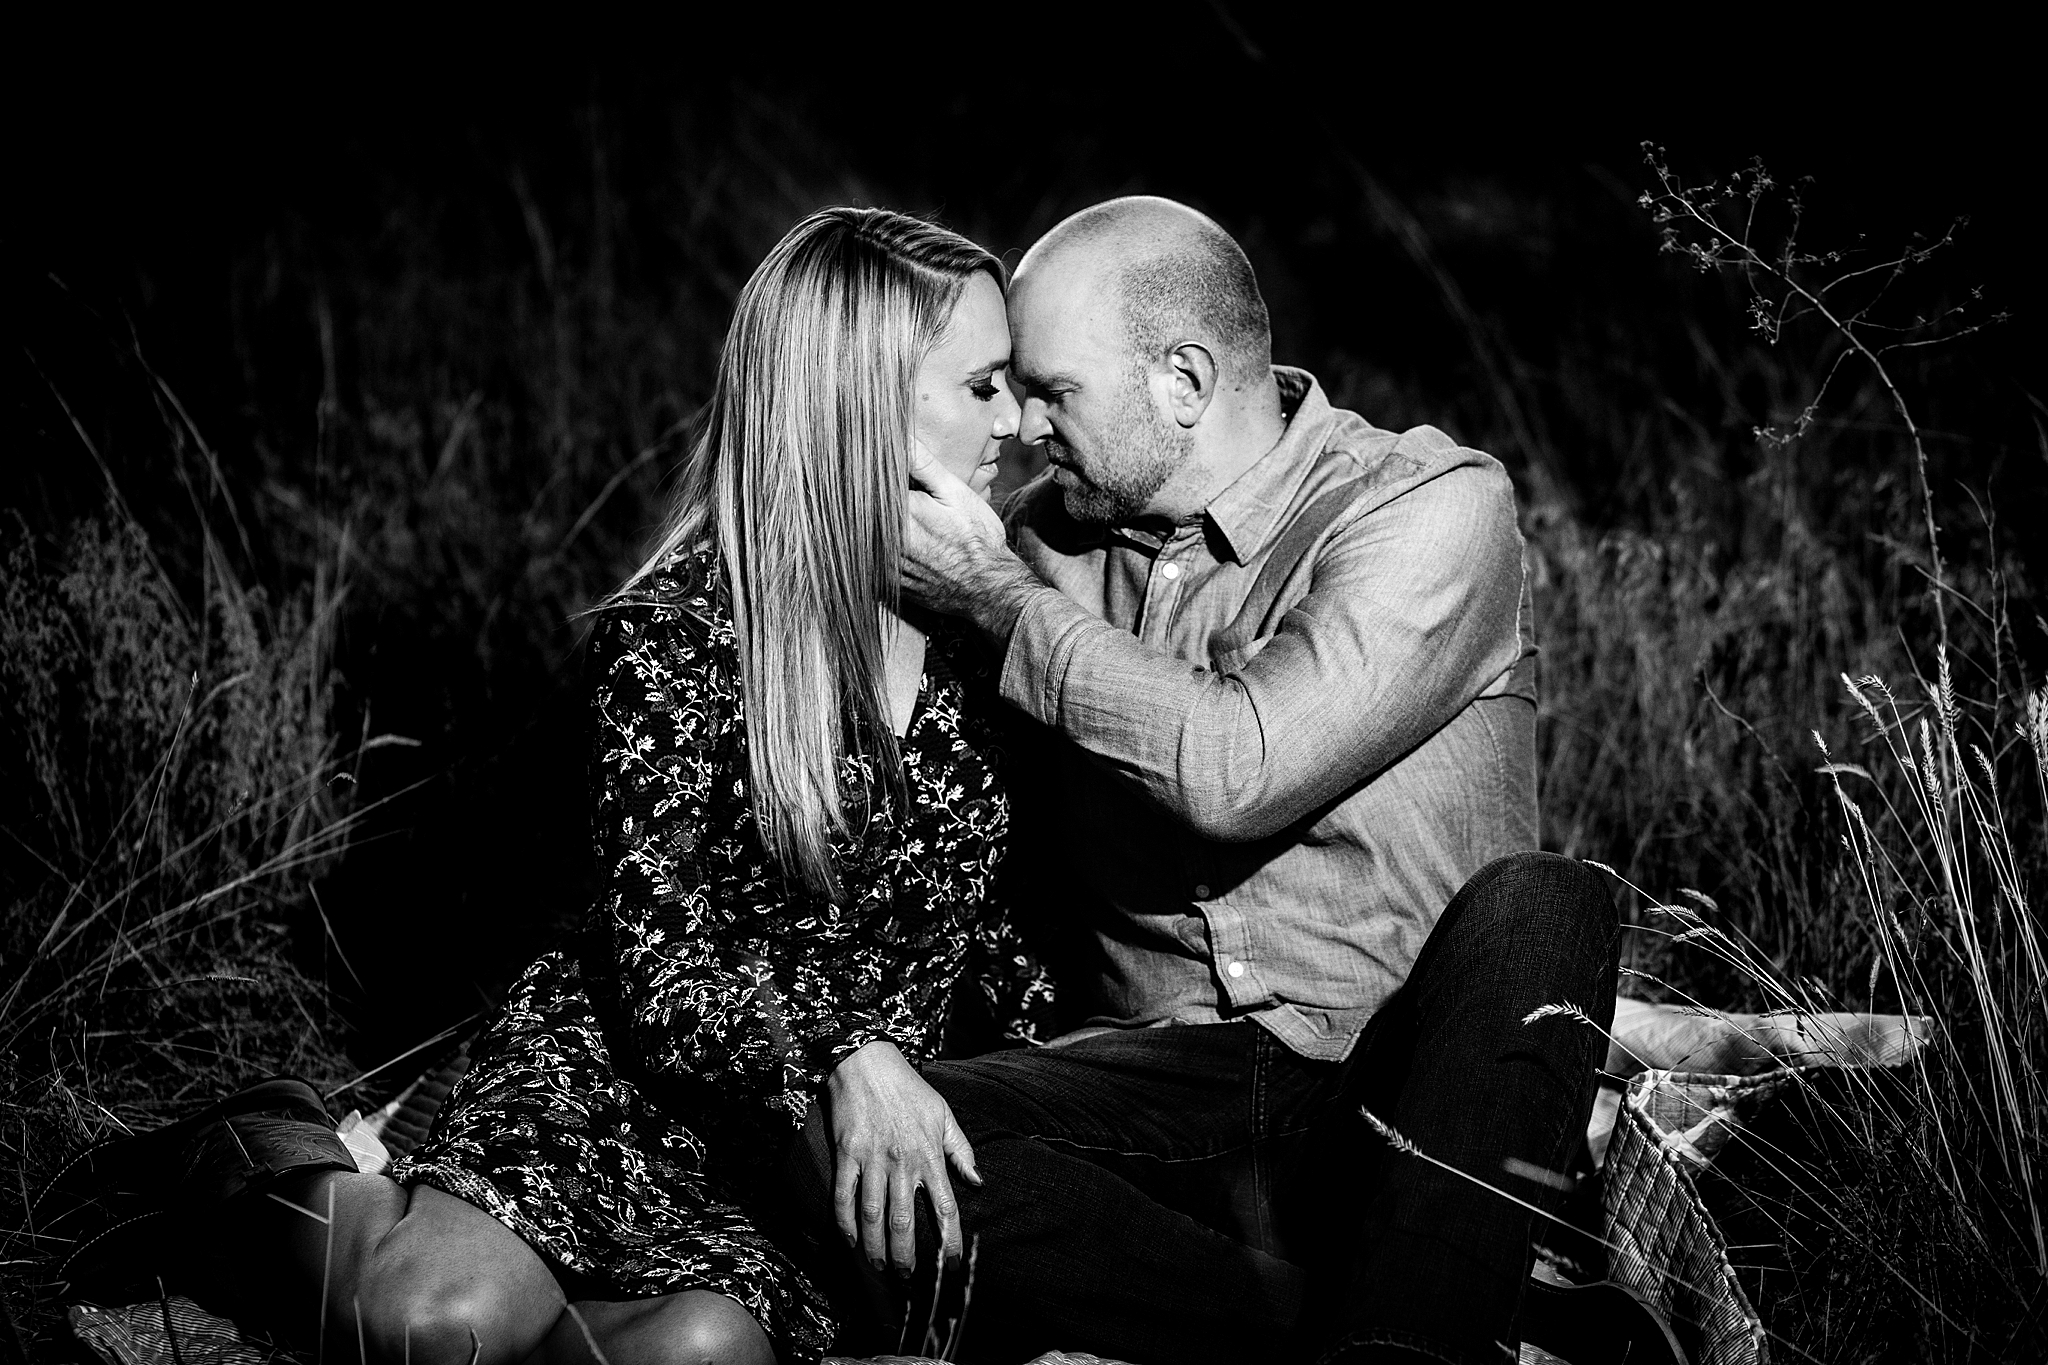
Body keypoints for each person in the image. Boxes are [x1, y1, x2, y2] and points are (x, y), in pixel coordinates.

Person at [45, 207, 1054, 1365]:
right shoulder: (678, 633)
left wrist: (1009, 1143)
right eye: (982, 387)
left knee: (700, 1355)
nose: (1018, 424)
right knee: (436, 1324)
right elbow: (665, 958)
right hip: (623, 1073)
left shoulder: (1006, 635)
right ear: (861, 399)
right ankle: (258, 1153)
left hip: (796, 1157)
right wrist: (837, 1052)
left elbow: (1013, 945)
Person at [888, 196, 1621, 1365]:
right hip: (1163, 1080)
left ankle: (1397, 1319)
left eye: (1053, 391)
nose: (1022, 426)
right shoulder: (1031, 543)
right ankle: (1362, 1333)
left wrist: (997, 605)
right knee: (869, 1140)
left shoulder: (1425, 510)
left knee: (1548, 903)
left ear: (1183, 380)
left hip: (1402, 1071)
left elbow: (1237, 768)